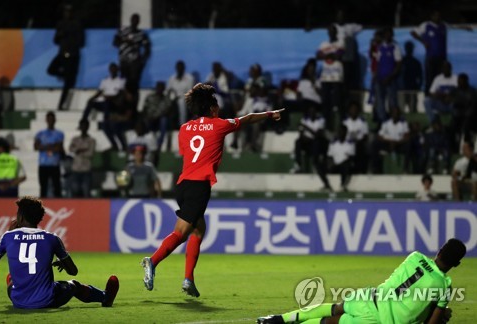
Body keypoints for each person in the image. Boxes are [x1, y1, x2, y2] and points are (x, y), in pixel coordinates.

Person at [141, 83, 284, 297]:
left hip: (182, 185)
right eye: (216, 106)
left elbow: (186, 152)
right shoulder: (219, 125)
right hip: (199, 186)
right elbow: (248, 118)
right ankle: (152, 261)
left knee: (199, 229)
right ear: (210, 108)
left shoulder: (184, 128)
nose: (218, 110)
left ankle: (189, 279)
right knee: (181, 233)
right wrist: (269, 114)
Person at [257, 238, 465, 324]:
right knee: (331, 322)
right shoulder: (444, 286)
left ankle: (278, 319)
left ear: (439, 250)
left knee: (334, 308)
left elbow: (411, 284)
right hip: (379, 320)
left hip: (370, 296)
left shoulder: (415, 256)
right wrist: (441, 314)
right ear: (456, 264)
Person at [0, 196, 119, 309]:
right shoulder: (52, 238)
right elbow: (73, 271)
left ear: (20, 217)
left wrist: (7, 234)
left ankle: (20, 290)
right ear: (39, 218)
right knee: (74, 285)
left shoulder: (8, 236)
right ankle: (105, 297)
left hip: (18, 301)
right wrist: (63, 263)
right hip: (47, 300)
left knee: (12, 278)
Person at [411, 9, 472, 94]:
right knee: (429, 78)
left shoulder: (443, 25)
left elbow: (454, 27)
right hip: (431, 57)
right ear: (431, 16)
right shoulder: (426, 25)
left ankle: (441, 97)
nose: (438, 17)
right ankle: (428, 97)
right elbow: (413, 32)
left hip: (442, 58)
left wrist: (465, 28)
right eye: (436, 15)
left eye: (439, 15)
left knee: (441, 78)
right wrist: (423, 42)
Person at [47, 4, 85, 111]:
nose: (67, 13)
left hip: (72, 55)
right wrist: (60, 34)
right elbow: (55, 40)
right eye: (66, 11)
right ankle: (63, 75)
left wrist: (71, 40)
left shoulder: (77, 24)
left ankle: (61, 105)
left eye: (69, 11)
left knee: (68, 83)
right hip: (62, 54)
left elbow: (81, 42)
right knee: (50, 69)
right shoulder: (61, 24)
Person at [113, 13, 151, 109]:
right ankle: (123, 107)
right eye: (133, 19)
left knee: (134, 85)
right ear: (131, 20)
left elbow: (147, 48)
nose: (135, 21)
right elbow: (115, 42)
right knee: (123, 84)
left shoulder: (141, 34)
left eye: (136, 20)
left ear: (138, 21)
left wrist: (142, 61)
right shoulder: (123, 30)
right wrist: (125, 41)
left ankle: (133, 107)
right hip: (124, 61)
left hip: (135, 63)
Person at [316, 25, 344, 130]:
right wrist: (330, 55)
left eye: (333, 31)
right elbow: (318, 55)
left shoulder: (340, 42)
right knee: (326, 102)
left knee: (337, 102)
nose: (331, 33)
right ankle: (328, 125)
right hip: (325, 77)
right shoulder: (324, 44)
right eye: (329, 31)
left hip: (337, 77)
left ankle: (339, 124)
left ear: (336, 32)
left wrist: (326, 54)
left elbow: (338, 55)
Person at [374, 27, 402, 123]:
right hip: (380, 79)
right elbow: (378, 63)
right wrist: (377, 76)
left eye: (390, 34)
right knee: (380, 102)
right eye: (386, 34)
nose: (388, 36)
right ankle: (383, 122)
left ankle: (394, 121)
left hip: (391, 80)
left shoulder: (395, 47)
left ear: (392, 35)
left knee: (392, 102)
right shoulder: (380, 47)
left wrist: (390, 77)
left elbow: (398, 65)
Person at [34, 112, 64, 198]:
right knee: (43, 187)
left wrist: (44, 146)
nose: (50, 121)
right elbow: (36, 146)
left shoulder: (59, 133)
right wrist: (51, 146)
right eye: (49, 119)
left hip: (54, 164)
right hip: (43, 164)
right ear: (46, 120)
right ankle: (42, 207)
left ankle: (58, 205)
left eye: (52, 119)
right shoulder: (40, 133)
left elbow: (58, 148)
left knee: (56, 187)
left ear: (55, 120)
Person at [371, 107, 409, 174]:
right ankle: (375, 168)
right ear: (391, 114)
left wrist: (396, 143)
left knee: (408, 145)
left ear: (400, 114)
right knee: (375, 143)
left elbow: (407, 137)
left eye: (397, 113)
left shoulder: (403, 124)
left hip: (398, 144)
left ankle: (405, 169)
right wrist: (389, 141)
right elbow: (379, 136)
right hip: (387, 144)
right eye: (394, 113)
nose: (396, 115)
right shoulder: (386, 123)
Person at [320, 125, 355, 192]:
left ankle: (342, 185)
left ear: (345, 132)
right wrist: (330, 163)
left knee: (346, 165)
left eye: (342, 131)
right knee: (319, 165)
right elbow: (329, 156)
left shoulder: (350, 143)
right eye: (339, 131)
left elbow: (351, 157)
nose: (340, 133)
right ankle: (326, 185)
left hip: (344, 166)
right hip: (334, 165)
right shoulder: (333, 143)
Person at [142, 81, 173, 153]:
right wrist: (148, 117)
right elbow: (144, 109)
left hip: (159, 120)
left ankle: (158, 146)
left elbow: (168, 111)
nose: (159, 89)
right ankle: (147, 144)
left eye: (161, 88)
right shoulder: (150, 97)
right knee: (145, 121)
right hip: (149, 119)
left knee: (164, 120)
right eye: (158, 87)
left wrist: (157, 117)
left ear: (164, 89)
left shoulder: (167, 99)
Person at [68, 119, 96, 198]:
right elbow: (71, 149)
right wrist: (83, 149)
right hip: (75, 169)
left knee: (86, 192)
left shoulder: (91, 140)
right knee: (75, 191)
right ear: (80, 127)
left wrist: (78, 150)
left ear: (88, 127)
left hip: (86, 170)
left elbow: (90, 153)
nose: (83, 127)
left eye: (85, 126)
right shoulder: (75, 139)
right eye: (82, 126)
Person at [166, 60, 196, 128]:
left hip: (185, 98)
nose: (179, 69)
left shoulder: (190, 78)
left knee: (181, 102)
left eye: (181, 67)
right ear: (176, 68)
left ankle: (182, 123)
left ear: (184, 68)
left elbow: (190, 92)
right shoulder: (172, 79)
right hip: (173, 98)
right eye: (178, 67)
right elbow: (168, 90)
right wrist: (172, 96)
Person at [342, 101, 369, 173]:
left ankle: (360, 170)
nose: (354, 111)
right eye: (352, 109)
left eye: (355, 109)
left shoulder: (362, 121)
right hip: (347, 144)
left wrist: (358, 141)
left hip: (359, 143)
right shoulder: (345, 122)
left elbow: (365, 135)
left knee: (360, 148)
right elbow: (342, 135)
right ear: (349, 110)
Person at [400, 41, 423, 113]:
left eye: (410, 48)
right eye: (408, 48)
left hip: (412, 88)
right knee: (401, 111)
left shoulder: (415, 62)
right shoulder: (401, 62)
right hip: (403, 88)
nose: (409, 50)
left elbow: (421, 77)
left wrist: (418, 87)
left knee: (412, 111)